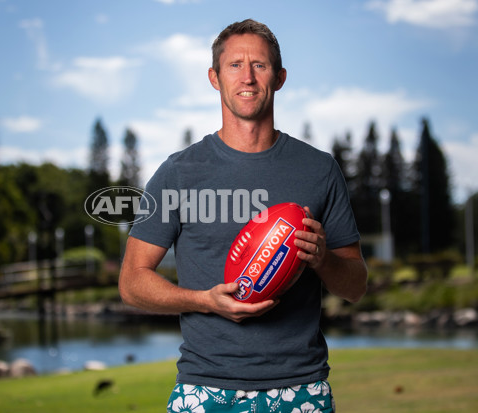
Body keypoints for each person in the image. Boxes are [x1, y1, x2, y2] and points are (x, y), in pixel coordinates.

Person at [118, 19, 367, 412]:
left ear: (280, 77)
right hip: (206, 386)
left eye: (260, 65)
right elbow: (132, 282)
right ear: (214, 78)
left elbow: (355, 286)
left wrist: (323, 258)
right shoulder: (179, 172)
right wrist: (205, 301)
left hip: (300, 386)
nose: (247, 77)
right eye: (234, 65)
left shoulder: (319, 170)